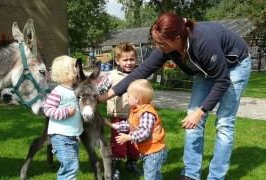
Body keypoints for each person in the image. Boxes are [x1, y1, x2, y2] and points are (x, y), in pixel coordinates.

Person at [98, 12, 252, 180]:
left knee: (224, 124)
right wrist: (105, 96)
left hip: (234, 65)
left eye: (161, 43)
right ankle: (191, 174)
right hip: (205, 70)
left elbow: (222, 81)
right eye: (155, 41)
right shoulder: (167, 46)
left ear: (177, 38)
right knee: (191, 121)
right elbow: (141, 72)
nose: (158, 46)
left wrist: (200, 111)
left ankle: (216, 176)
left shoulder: (203, 42)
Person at [104, 79, 168, 180]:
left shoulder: (147, 113)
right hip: (149, 151)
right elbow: (130, 124)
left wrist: (128, 137)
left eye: (128, 96)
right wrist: (112, 125)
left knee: (150, 176)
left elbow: (144, 132)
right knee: (154, 175)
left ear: (136, 99)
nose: (127, 98)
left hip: (154, 152)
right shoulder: (136, 111)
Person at [97, 42, 142, 180]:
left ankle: (132, 164)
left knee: (135, 142)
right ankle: (115, 168)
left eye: (132, 59)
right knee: (118, 143)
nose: (129, 63)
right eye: (125, 60)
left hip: (136, 116)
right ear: (117, 60)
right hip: (118, 116)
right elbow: (99, 90)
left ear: (136, 59)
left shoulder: (140, 74)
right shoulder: (111, 75)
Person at [43, 55, 83, 180]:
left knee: (72, 165)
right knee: (70, 166)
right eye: (77, 71)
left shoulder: (73, 90)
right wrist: (66, 112)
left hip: (71, 136)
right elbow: (48, 109)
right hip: (61, 137)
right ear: (71, 73)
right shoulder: (58, 91)